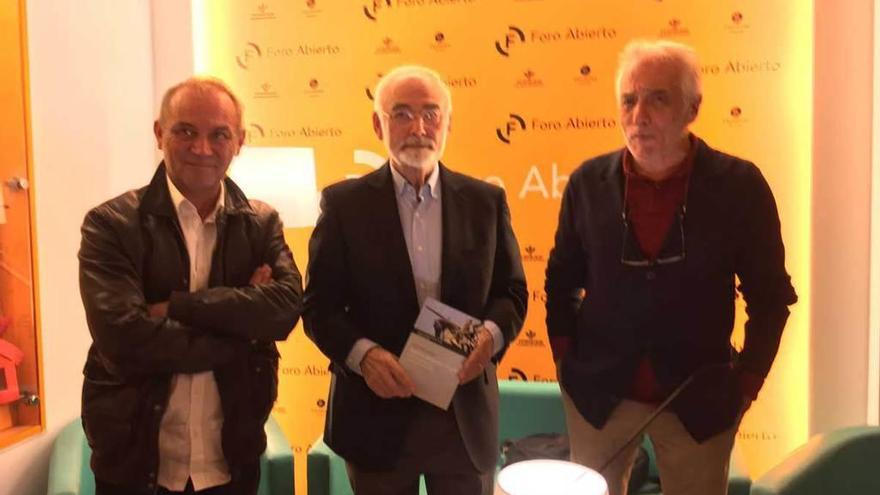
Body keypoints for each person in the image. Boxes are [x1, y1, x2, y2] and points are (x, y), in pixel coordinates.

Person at [545, 40, 797, 495]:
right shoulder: (587, 183)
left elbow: (772, 299)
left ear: (693, 107)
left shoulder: (740, 186)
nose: (639, 114)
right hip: (599, 395)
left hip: (698, 402)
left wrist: (746, 385)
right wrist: (565, 361)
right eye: (629, 99)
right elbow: (560, 280)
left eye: (658, 98)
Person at [303, 65, 527, 495]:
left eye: (431, 113)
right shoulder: (343, 205)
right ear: (377, 124)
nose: (418, 127)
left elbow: (512, 293)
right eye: (401, 114)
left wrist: (492, 337)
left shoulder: (486, 202)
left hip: (462, 421)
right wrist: (363, 356)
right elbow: (318, 307)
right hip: (375, 417)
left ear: (448, 123)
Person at [78, 77, 303, 495]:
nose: (202, 148)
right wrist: (243, 331)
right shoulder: (110, 224)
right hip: (133, 463)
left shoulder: (261, 224)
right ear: (160, 133)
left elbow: (287, 307)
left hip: (231, 461)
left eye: (219, 134)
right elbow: (123, 337)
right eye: (185, 131)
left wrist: (177, 307)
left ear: (239, 141)